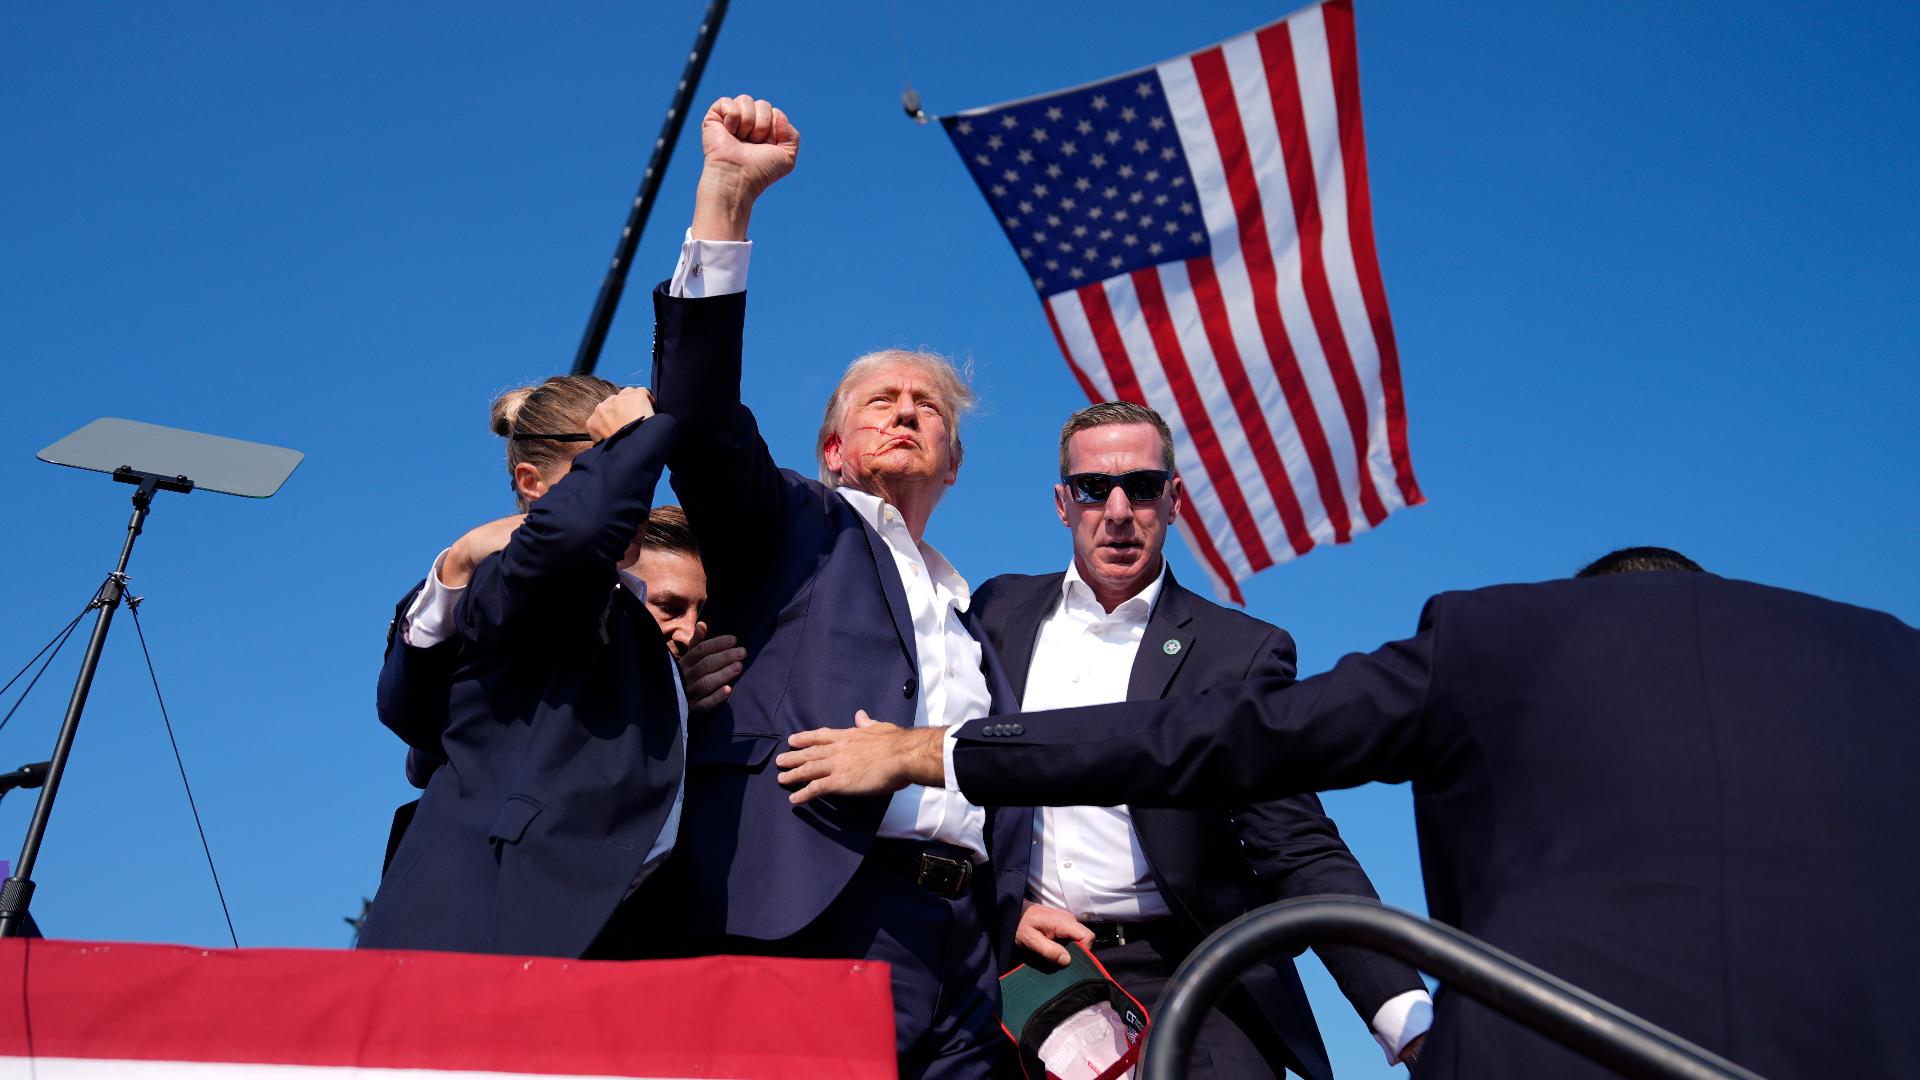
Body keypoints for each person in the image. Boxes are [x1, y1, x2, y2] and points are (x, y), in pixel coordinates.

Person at [775, 554, 1920, 1077]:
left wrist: (941, 753)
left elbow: (1227, 746)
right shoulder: (1890, 660)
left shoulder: (1502, 638)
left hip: (1560, 1046)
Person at [643, 94, 1022, 1078]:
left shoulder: (974, 607)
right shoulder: (792, 524)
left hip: (971, 948)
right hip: (819, 911)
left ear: (955, 462)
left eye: (929, 406)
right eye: (880, 401)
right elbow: (697, 410)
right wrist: (727, 198)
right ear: (832, 446)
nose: (907, 412)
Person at [969, 400, 1430, 1078]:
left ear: (1176, 500)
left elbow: (1294, 840)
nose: (1120, 509)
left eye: (1144, 487)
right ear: (1063, 503)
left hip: (1191, 975)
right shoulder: (996, 613)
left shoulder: (1238, 653)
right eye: (1095, 488)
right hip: (1022, 972)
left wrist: (1410, 1021)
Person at [358, 376, 688, 959]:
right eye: (608, 464)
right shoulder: (511, 572)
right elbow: (580, 532)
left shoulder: (622, 617)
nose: (635, 489)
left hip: (571, 934)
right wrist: (636, 437)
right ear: (532, 486)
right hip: (484, 924)